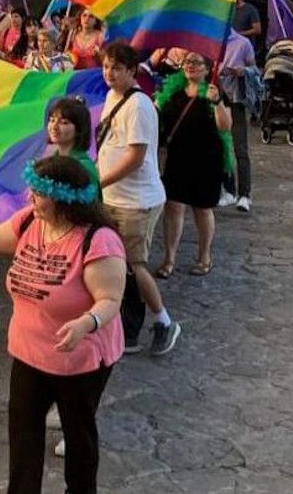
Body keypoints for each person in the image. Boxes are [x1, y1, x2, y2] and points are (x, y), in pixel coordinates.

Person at [0, 156, 125, 494]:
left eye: (38, 193)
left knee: (78, 436)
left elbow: (110, 300)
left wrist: (85, 324)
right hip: (30, 353)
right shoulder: (30, 221)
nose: (30, 197)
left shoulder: (98, 241)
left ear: (63, 198)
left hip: (79, 360)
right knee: (24, 431)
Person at [96, 44, 180, 357]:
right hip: (113, 197)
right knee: (117, 263)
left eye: (116, 68)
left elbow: (135, 156)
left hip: (138, 200)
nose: (109, 73)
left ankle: (163, 321)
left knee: (134, 264)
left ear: (132, 71)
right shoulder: (110, 97)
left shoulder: (140, 105)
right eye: (106, 67)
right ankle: (123, 325)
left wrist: (100, 180)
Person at [156, 55, 232, 277]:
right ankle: (169, 259)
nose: (191, 65)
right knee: (173, 206)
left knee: (202, 208)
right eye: (188, 61)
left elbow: (226, 127)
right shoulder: (172, 93)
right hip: (178, 157)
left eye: (198, 62)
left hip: (206, 159)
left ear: (208, 69)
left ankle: (204, 256)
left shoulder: (213, 92)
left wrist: (216, 102)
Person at [218, 28, 256, 212]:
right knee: (220, 145)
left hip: (236, 98)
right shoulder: (210, 40)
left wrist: (243, 71)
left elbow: (255, 69)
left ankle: (244, 194)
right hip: (216, 97)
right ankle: (227, 189)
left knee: (240, 147)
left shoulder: (243, 43)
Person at [44, 97, 98, 187]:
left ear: (79, 129)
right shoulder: (51, 162)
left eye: (64, 122)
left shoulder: (84, 167)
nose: (54, 126)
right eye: (52, 120)